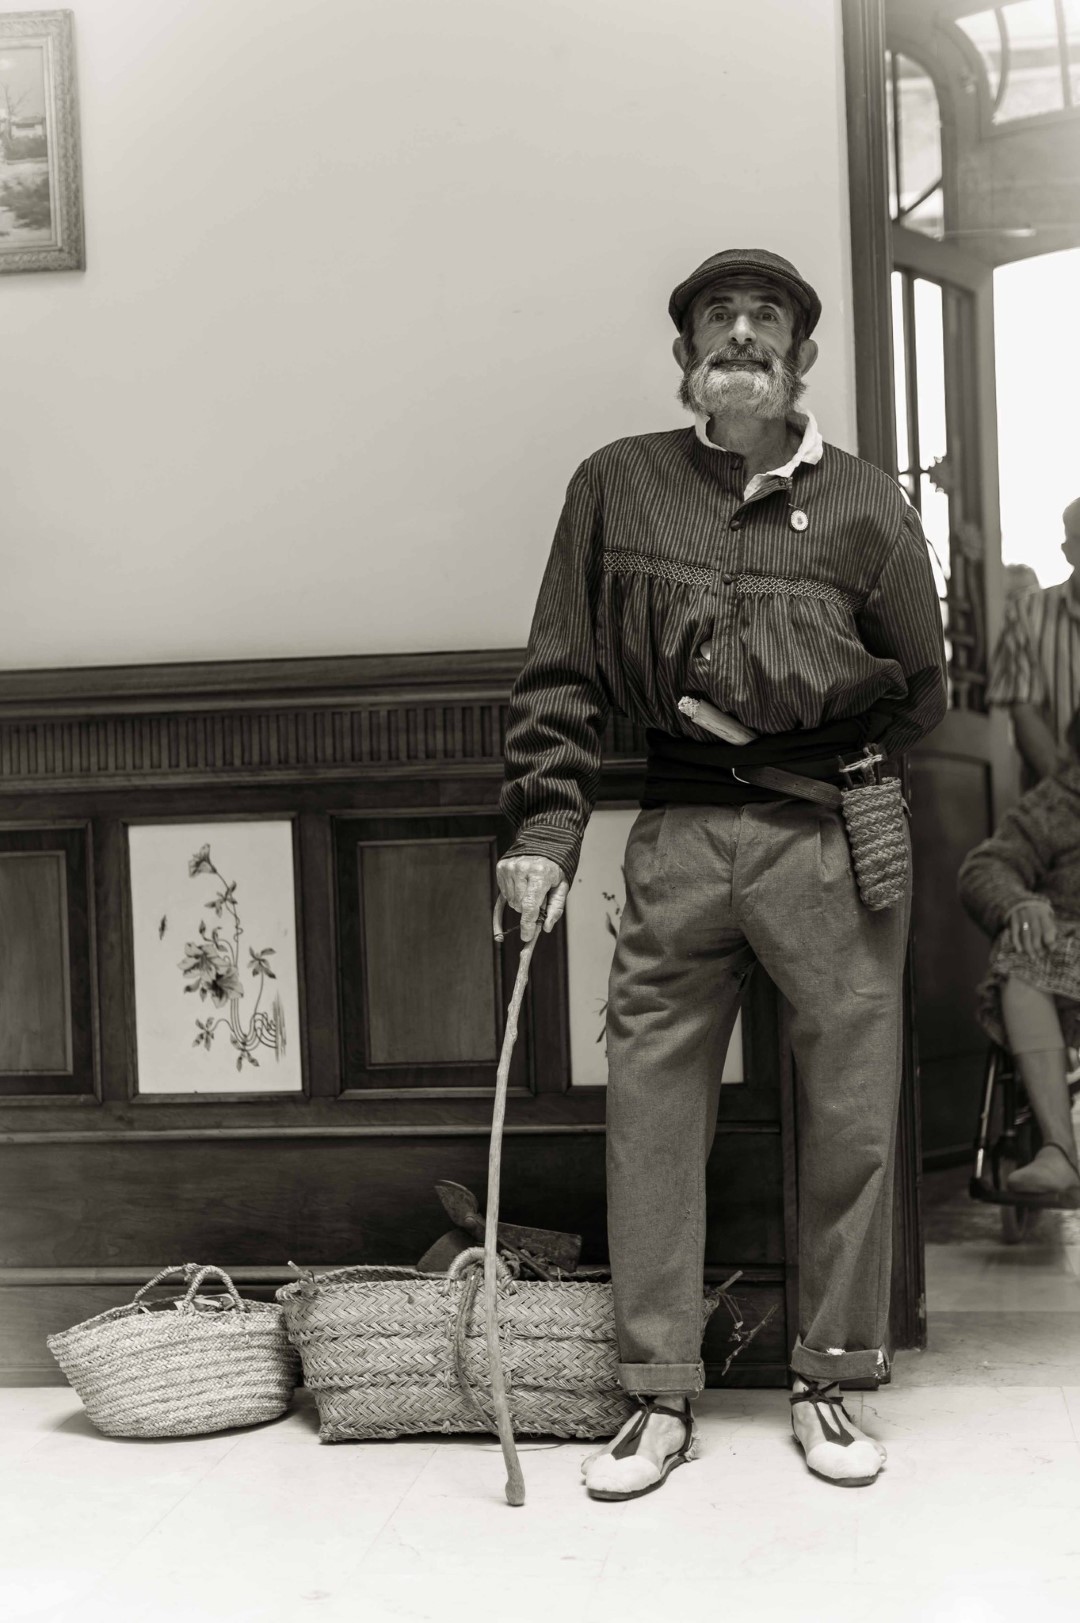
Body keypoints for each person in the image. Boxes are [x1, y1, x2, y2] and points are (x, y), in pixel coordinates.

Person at [495, 247, 948, 1498]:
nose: (741, 333)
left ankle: (833, 1379)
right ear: (685, 352)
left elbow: (923, 683)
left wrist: (803, 742)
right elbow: (560, 674)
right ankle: (656, 1396)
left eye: (766, 318)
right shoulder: (617, 484)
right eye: (716, 316)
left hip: (828, 838)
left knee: (851, 1113)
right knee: (650, 1112)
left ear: (802, 355)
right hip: (679, 837)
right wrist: (542, 836)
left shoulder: (868, 505)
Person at [958, 709, 1080, 1201]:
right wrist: (1017, 904)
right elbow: (986, 867)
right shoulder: (1054, 805)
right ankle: (1060, 1151)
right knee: (1021, 952)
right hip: (1064, 952)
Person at [988, 498, 1080, 782]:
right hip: (1055, 793)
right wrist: (1065, 793)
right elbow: (1023, 711)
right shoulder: (1027, 614)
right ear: (1067, 551)